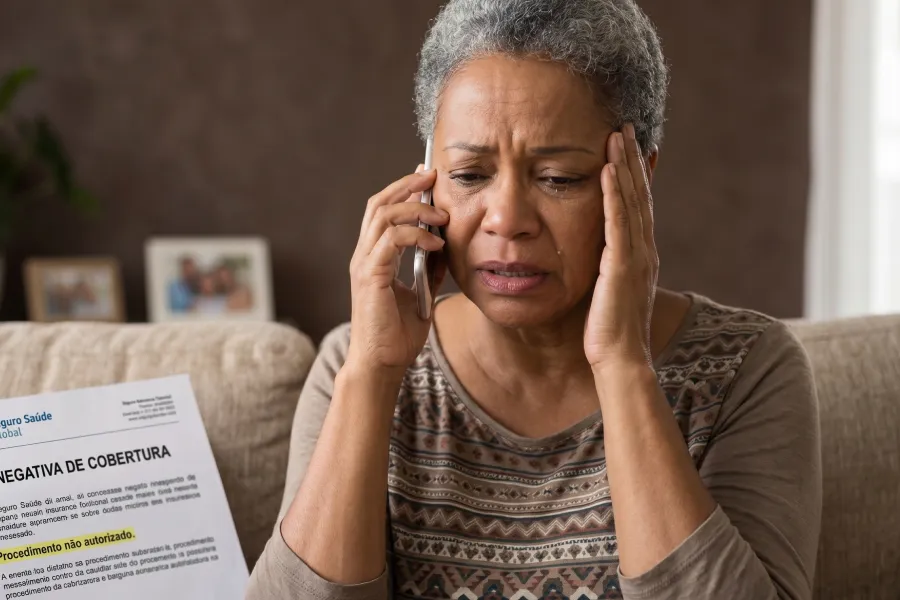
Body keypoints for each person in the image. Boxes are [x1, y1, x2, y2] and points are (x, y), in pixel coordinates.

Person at [246, 0, 821, 598]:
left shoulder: (747, 369)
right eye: (470, 175)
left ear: (639, 181)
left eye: (558, 179)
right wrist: (371, 376)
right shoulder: (355, 363)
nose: (507, 219)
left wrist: (623, 365)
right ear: (428, 178)